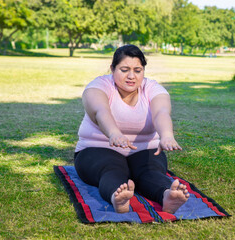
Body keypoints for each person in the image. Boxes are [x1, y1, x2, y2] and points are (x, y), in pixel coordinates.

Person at [74, 44, 190, 214]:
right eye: (124, 69)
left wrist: (166, 135)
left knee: (149, 172)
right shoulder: (98, 86)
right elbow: (100, 111)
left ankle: (168, 196)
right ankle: (117, 197)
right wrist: (114, 133)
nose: (131, 76)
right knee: (112, 169)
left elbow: (161, 113)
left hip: (144, 150)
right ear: (112, 69)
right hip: (98, 149)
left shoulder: (152, 88)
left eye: (137, 70)